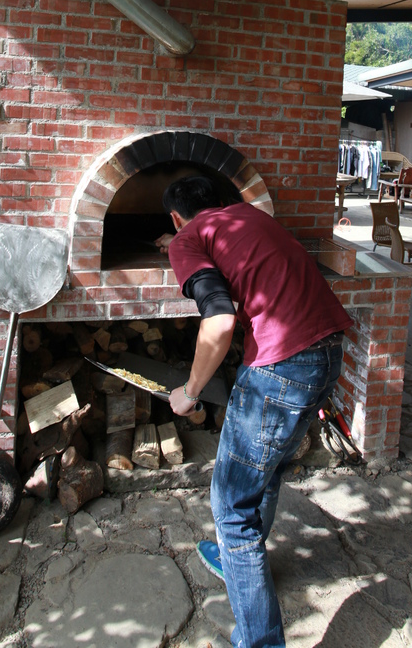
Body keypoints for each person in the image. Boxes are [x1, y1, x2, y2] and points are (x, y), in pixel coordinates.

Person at [155, 175, 352, 648]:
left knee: (231, 508)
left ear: (177, 219)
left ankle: (261, 640)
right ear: (222, 204)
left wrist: (190, 389)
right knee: (268, 469)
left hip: (281, 366)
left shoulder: (189, 238)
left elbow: (219, 318)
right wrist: (178, 242)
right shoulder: (250, 217)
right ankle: (234, 560)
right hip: (329, 351)